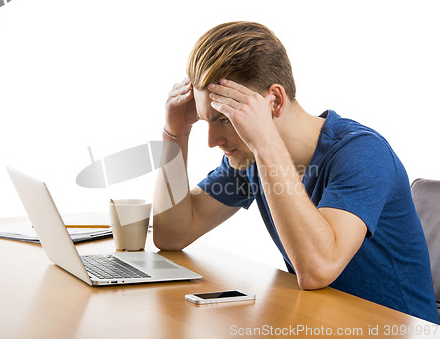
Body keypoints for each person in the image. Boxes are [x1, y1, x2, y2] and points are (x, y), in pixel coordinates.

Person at [153, 21, 439, 323]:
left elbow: (318, 270)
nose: (212, 141)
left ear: (274, 101)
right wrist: (175, 134)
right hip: (324, 324)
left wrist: (266, 145)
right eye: (206, 120)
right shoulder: (250, 156)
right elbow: (172, 233)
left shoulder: (362, 153)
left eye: (224, 119)